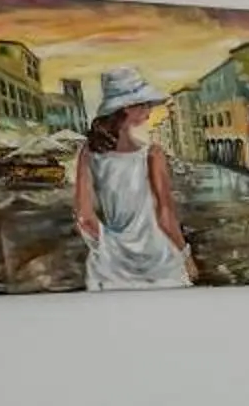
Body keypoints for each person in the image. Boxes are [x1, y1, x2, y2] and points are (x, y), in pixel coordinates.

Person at [72, 66, 195, 291]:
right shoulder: (152, 154)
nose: (149, 109)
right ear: (127, 108)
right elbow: (165, 216)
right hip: (159, 260)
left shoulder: (88, 152)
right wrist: (186, 256)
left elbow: (84, 217)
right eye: (145, 104)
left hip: (110, 265)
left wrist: (109, 247)